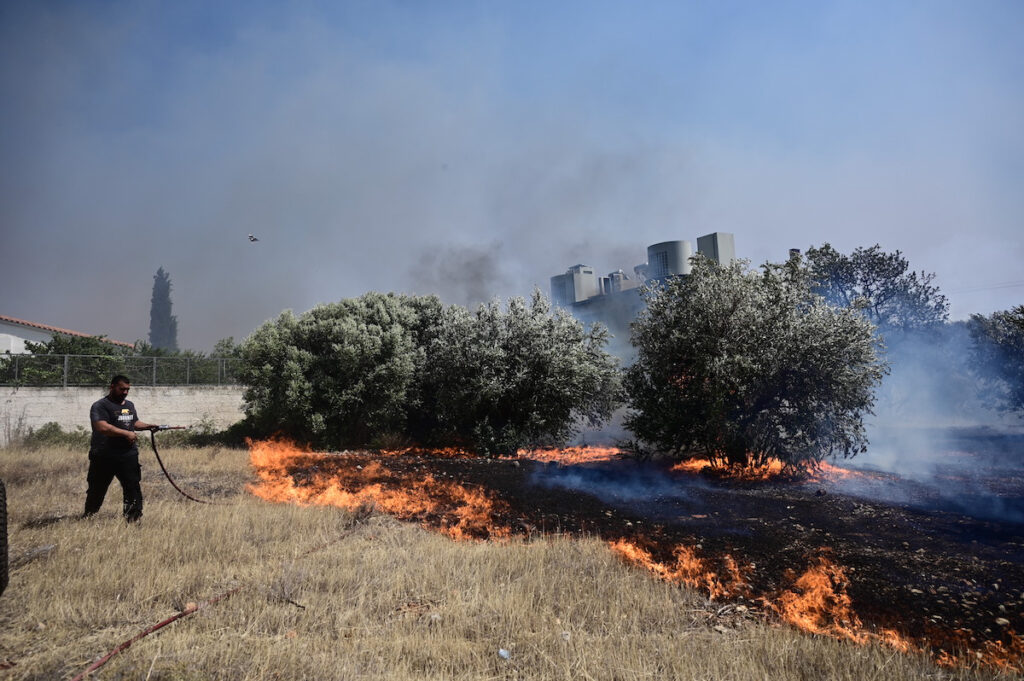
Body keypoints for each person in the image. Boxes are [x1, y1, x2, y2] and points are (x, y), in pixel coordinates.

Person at [84, 375, 158, 522]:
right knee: (97, 489)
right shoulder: (100, 406)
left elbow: (134, 422)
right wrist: (126, 433)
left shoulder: (129, 405)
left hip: (127, 455)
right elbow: (102, 427)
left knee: (132, 487)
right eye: (122, 389)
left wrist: (149, 426)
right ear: (112, 387)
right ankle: (89, 516)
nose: (125, 392)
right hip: (103, 455)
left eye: (127, 389)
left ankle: (133, 519)